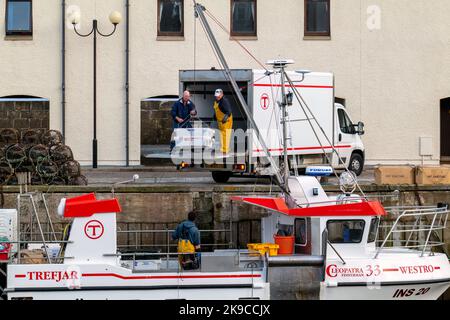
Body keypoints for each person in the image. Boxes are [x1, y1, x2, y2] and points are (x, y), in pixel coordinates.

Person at [213, 89, 233, 154]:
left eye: (218, 96)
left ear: (222, 95)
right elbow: (216, 110)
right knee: (221, 135)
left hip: (226, 121)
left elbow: (229, 111)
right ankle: (222, 149)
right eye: (216, 96)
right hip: (220, 121)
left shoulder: (224, 102)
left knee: (226, 135)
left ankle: (225, 150)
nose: (217, 97)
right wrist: (214, 116)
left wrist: (225, 118)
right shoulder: (216, 102)